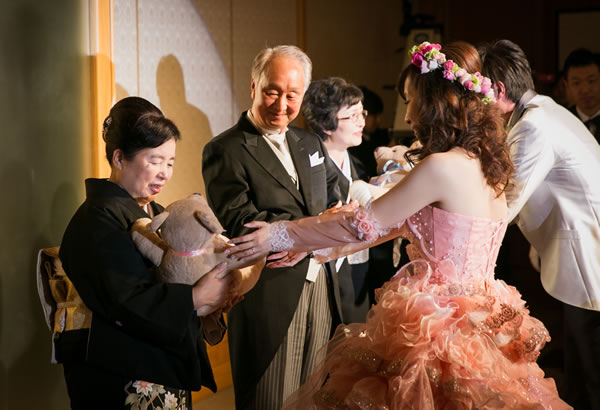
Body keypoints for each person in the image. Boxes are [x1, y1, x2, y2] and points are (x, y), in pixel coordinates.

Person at [227, 41, 570, 408]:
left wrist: (278, 234)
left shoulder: (440, 167)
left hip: (438, 321)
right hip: (485, 314)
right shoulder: (489, 167)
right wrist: (311, 246)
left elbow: (363, 225)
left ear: (434, 103)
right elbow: (394, 227)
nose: (406, 116)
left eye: (410, 101)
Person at [57, 97, 238, 409]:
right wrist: (196, 297)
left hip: (155, 358)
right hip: (120, 371)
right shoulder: (96, 219)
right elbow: (126, 300)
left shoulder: (156, 212)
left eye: (170, 163)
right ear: (119, 158)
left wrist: (214, 293)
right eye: (154, 161)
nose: (164, 173)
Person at [202, 45, 342, 409]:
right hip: (268, 289)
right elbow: (242, 223)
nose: (281, 104)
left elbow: (337, 195)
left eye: (292, 95)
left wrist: (314, 236)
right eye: (272, 92)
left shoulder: (309, 142)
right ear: (254, 86)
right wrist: (314, 231)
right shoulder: (225, 149)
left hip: (320, 281)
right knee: (271, 398)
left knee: (315, 396)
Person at [478, 39, 600, 410]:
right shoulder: (545, 110)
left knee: (591, 367)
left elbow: (506, 202)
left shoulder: (534, 126)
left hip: (588, 253)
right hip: (581, 246)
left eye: (478, 92)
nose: (476, 104)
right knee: (581, 365)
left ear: (499, 91)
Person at [300, 77, 370, 323]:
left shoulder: (361, 163)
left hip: (359, 269)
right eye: (353, 116)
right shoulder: (308, 169)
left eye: (362, 113)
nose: (362, 122)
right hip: (323, 272)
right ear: (326, 123)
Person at [563, 48, 600, 143]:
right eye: (576, 83)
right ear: (567, 85)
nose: (585, 90)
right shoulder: (561, 121)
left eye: (591, 81)